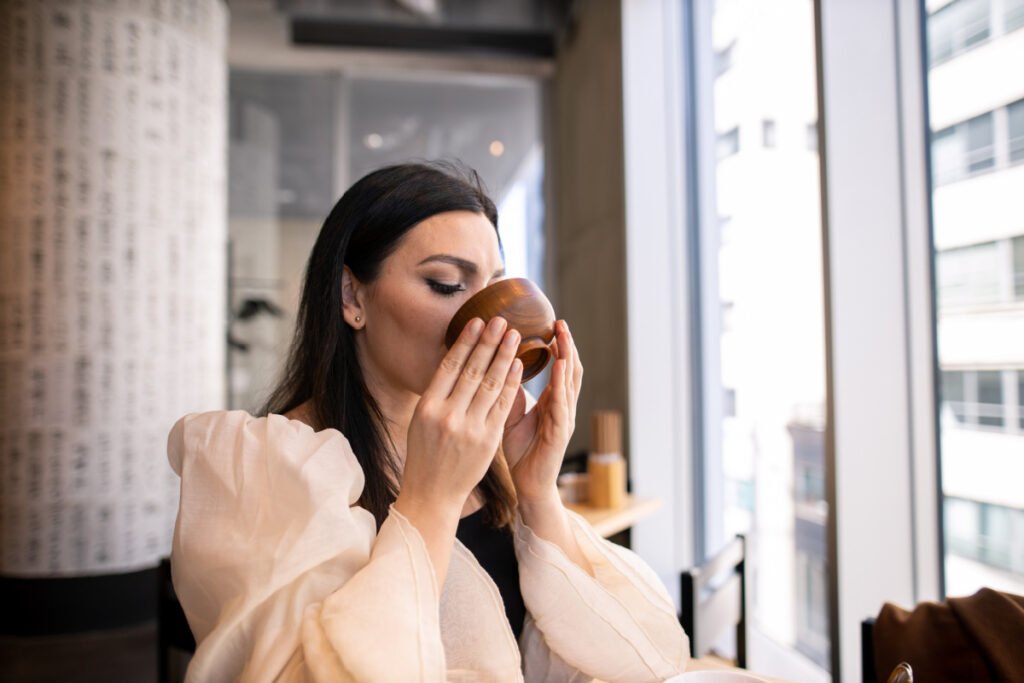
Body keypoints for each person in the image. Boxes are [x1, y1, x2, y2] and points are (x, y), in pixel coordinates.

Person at [168, 161, 689, 682]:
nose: (489, 320)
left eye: (496, 288)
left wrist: (536, 493)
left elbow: (630, 654)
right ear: (353, 297)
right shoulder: (267, 464)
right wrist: (431, 501)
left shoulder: (483, 450)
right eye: (446, 284)